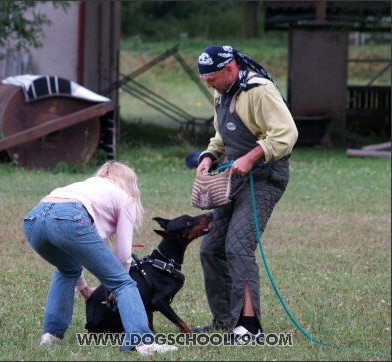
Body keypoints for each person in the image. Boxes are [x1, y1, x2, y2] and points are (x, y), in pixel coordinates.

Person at [193, 45, 298, 342]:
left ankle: (249, 328)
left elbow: (286, 134)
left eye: (212, 78)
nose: (208, 84)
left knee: (238, 247)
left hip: (265, 176)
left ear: (231, 68)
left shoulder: (260, 90)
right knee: (211, 249)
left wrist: (252, 157)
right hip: (232, 176)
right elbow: (221, 135)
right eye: (205, 79)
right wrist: (209, 157)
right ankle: (226, 322)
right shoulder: (223, 91)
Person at [22, 160, 177, 355]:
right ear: (129, 183)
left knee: (66, 270)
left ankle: (51, 335)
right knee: (124, 283)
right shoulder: (124, 197)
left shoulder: (85, 187)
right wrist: (116, 284)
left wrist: (85, 289)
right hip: (69, 216)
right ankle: (144, 343)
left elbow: (73, 251)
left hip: (33, 220)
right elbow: (123, 253)